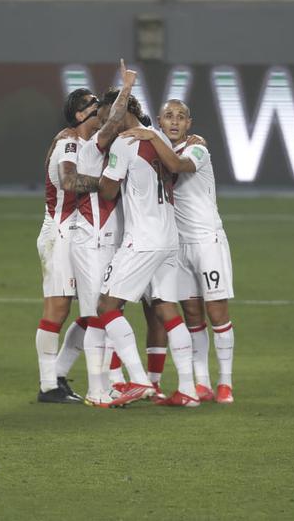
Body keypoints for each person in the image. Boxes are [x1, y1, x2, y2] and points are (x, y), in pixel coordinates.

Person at [121, 100, 236, 404]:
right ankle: (202, 383)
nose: (174, 122)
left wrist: (151, 135)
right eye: (168, 117)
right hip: (177, 244)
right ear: (159, 120)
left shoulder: (197, 149)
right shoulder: (155, 152)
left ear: (189, 124)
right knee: (192, 315)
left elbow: (178, 166)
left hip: (206, 240)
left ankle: (226, 383)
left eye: (181, 117)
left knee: (216, 312)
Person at [93, 102, 199, 408]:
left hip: (142, 239)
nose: (105, 126)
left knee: (107, 304)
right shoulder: (160, 137)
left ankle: (138, 380)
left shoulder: (125, 142)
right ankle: (189, 389)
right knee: (167, 308)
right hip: (169, 237)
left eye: (107, 118)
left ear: (121, 113)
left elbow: (108, 191)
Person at [71, 62, 139, 407]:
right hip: (89, 241)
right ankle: (96, 389)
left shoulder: (111, 150)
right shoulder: (91, 148)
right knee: (97, 316)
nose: (106, 117)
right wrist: (126, 86)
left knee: (107, 313)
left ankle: (107, 385)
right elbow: (115, 122)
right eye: (100, 113)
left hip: (109, 239)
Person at [34, 87, 102, 403]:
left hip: (75, 235)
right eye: (92, 103)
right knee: (58, 309)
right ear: (79, 114)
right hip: (58, 234)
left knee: (93, 310)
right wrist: (106, 184)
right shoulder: (69, 143)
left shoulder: (84, 142)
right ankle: (48, 385)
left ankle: (57, 375)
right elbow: (69, 181)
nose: (99, 107)